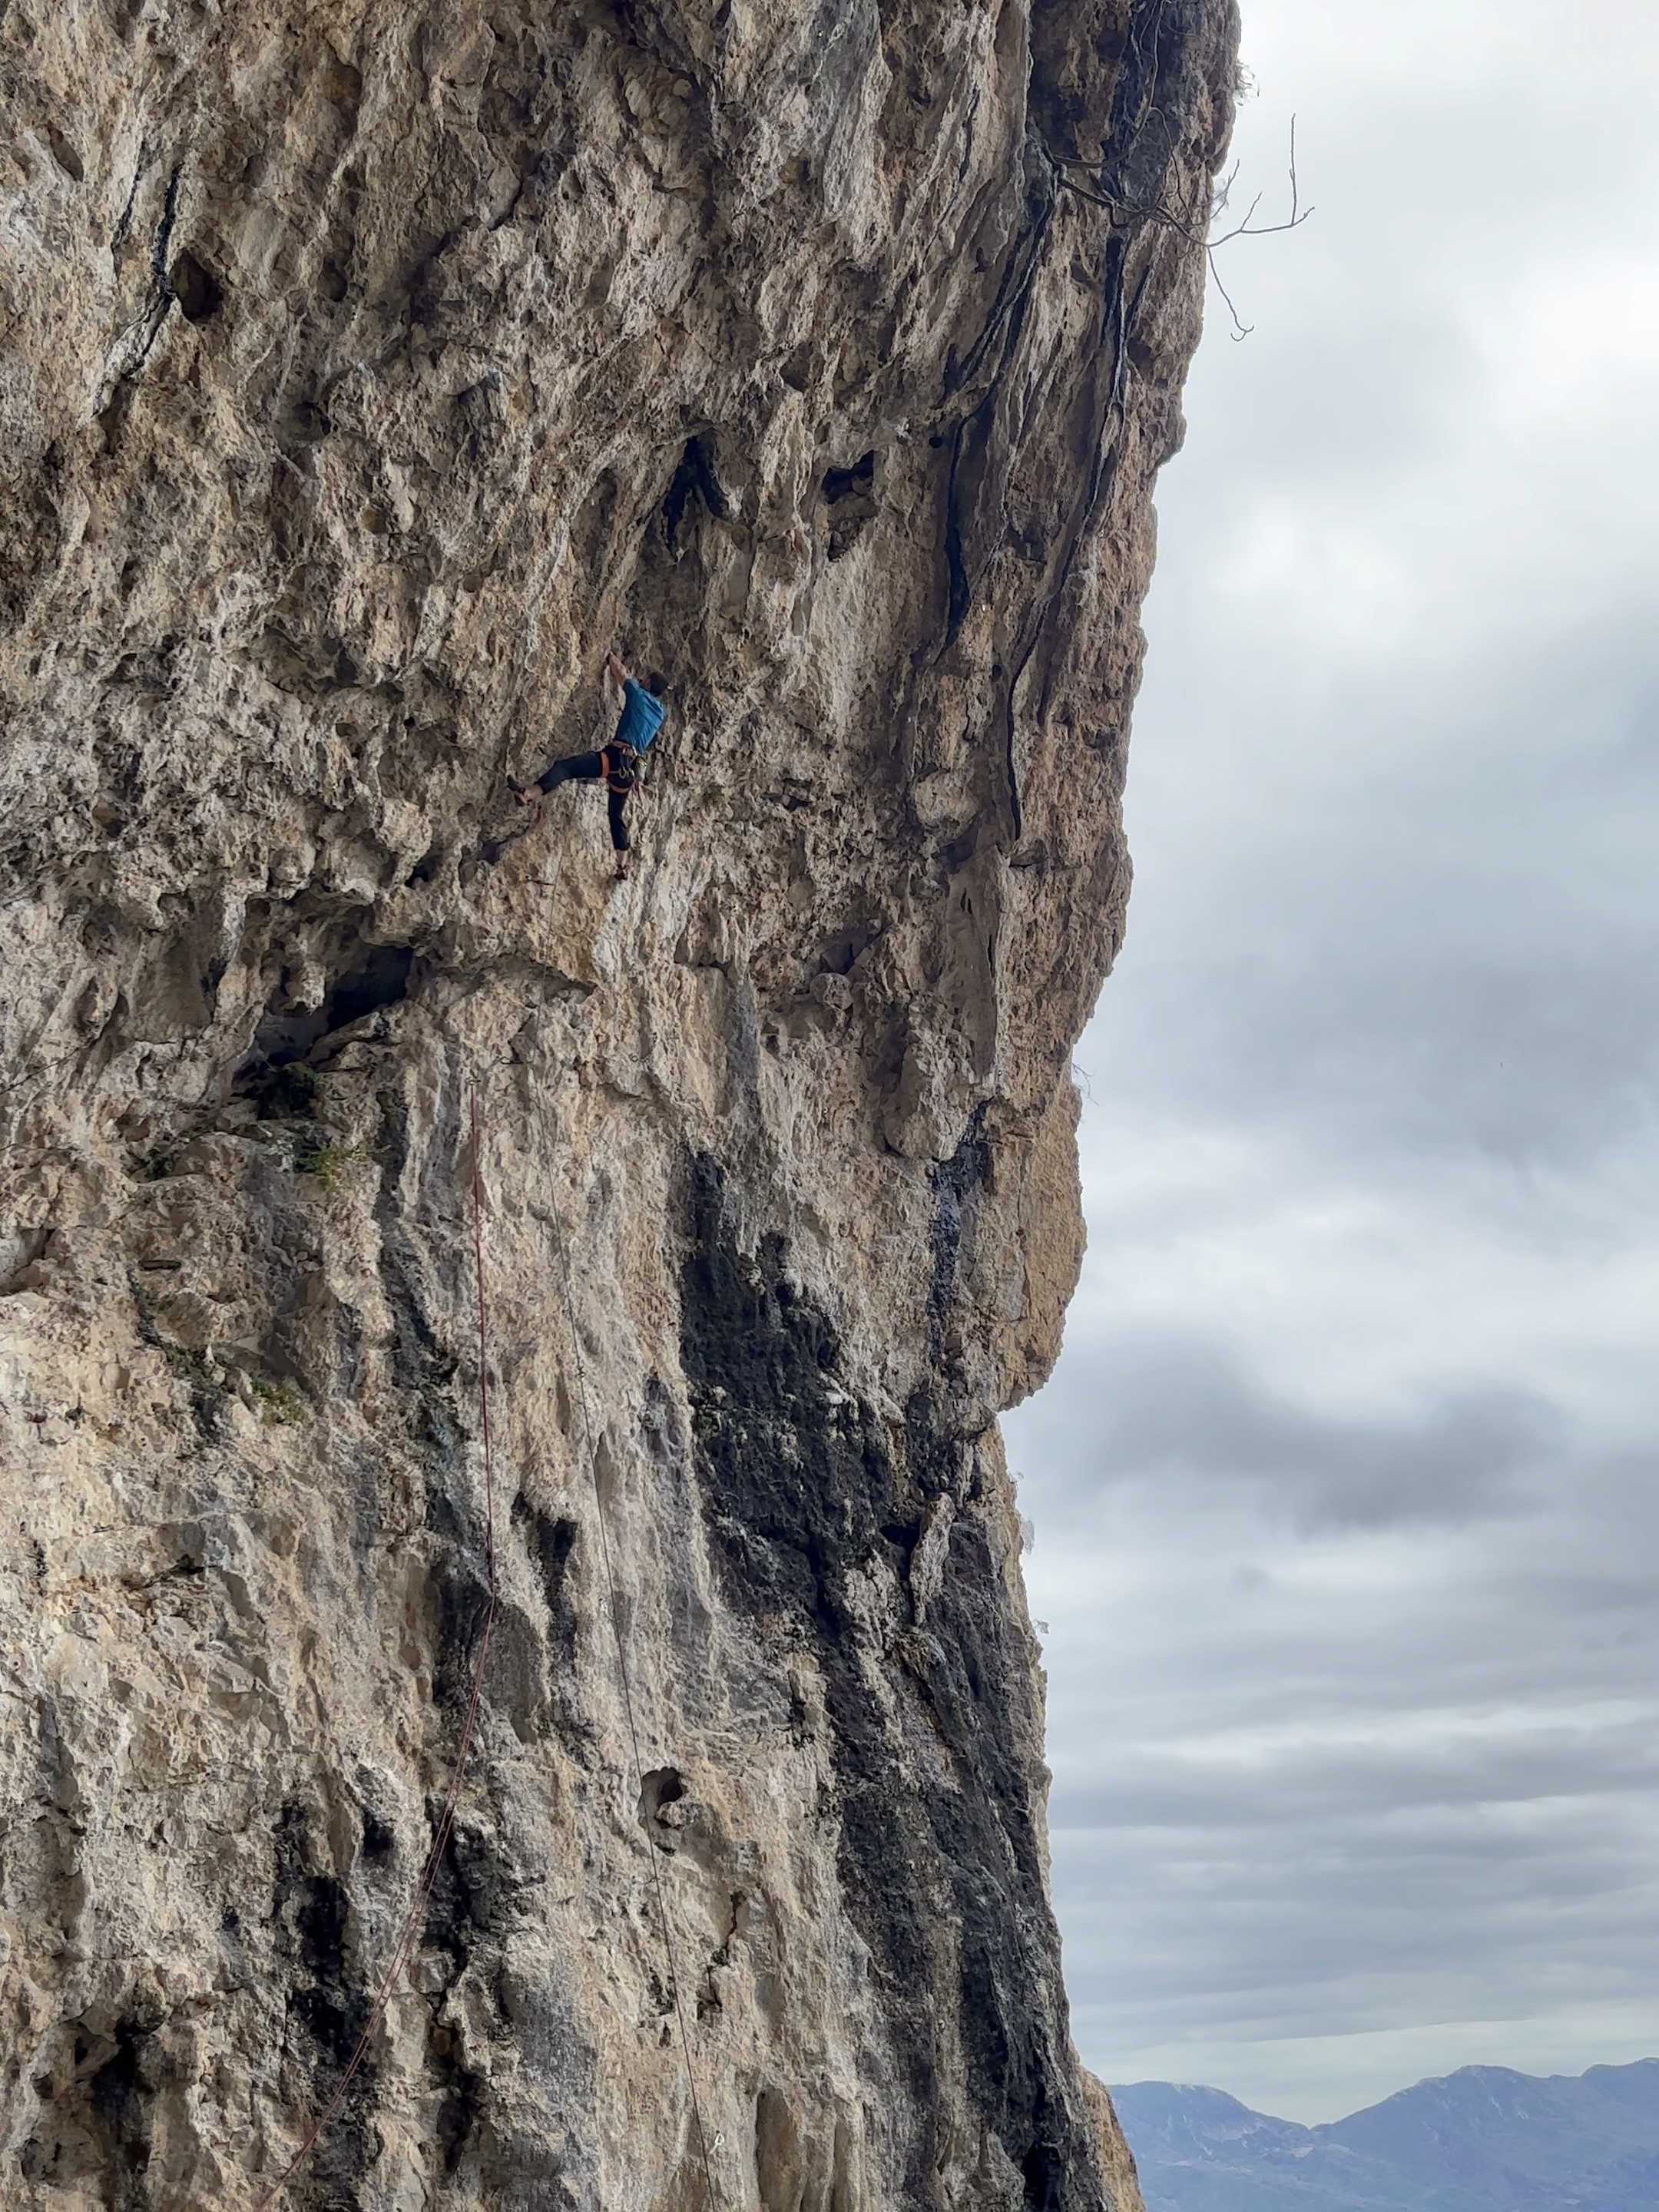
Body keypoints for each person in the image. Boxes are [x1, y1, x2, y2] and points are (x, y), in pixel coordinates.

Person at [514, 653, 667, 879]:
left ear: (648, 683)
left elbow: (621, 673)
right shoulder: (660, 713)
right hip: (627, 772)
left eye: (646, 679)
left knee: (566, 768)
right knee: (616, 815)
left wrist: (611, 656)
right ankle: (622, 867)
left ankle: (527, 794)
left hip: (613, 757)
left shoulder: (637, 693)